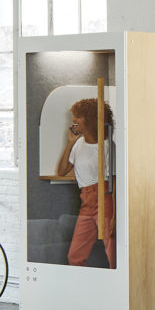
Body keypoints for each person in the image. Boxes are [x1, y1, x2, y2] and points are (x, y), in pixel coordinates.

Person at [53, 96, 116, 268]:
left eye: (79, 116)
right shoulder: (78, 143)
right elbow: (61, 171)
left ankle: (115, 290)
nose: (74, 120)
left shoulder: (108, 146)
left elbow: (115, 181)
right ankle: (86, 290)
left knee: (113, 255)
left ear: (90, 120)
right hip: (86, 200)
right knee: (75, 256)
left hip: (104, 196)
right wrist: (70, 143)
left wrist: (115, 215)